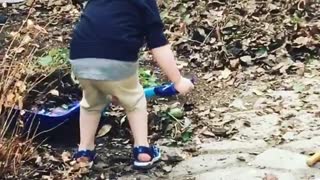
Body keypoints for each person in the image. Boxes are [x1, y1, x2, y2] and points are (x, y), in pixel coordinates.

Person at [69, 0, 194, 169]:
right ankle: (143, 151)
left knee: (91, 104)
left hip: (80, 56)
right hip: (117, 58)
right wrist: (178, 80)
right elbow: (158, 44)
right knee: (134, 101)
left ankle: (84, 152)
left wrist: (110, 88)